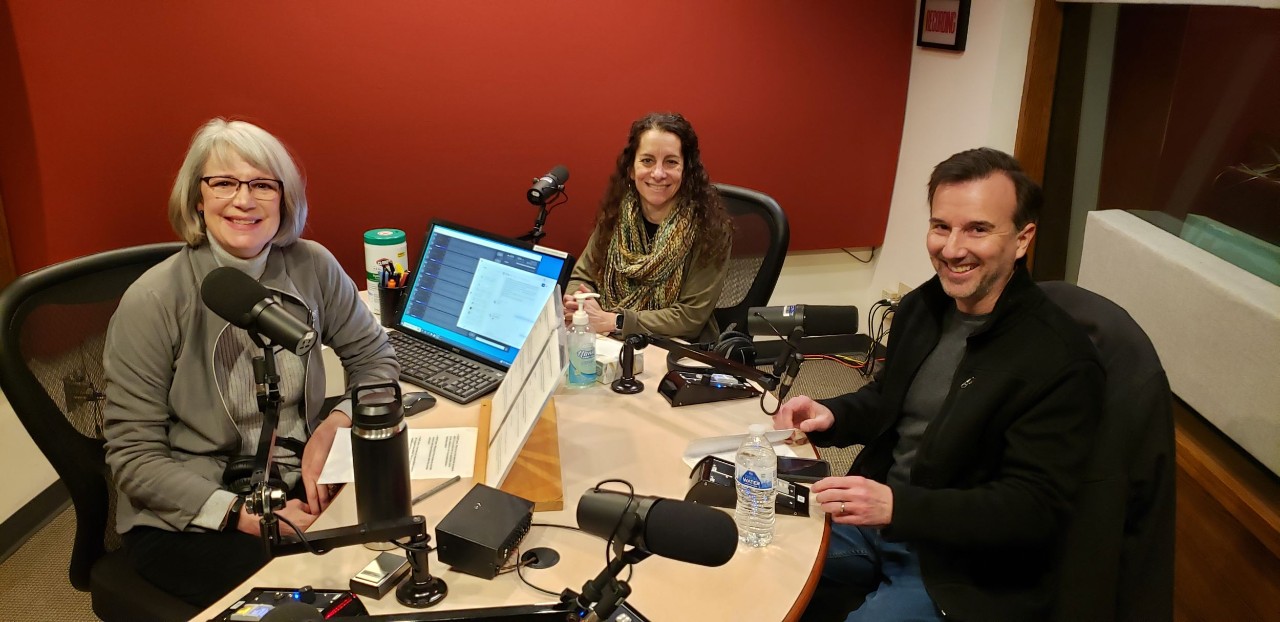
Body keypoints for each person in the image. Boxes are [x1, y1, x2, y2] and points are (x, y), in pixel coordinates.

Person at [774, 148, 1103, 621]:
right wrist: (835, 414)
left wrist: (899, 506)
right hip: (876, 521)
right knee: (751, 556)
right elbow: (892, 402)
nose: (951, 249)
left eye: (978, 229)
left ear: (1023, 239)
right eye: (941, 226)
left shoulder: (1061, 360)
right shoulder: (922, 308)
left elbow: (1034, 508)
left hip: (960, 568)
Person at [103, 118, 399, 607]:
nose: (244, 200)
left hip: (298, 485)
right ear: (198, 197)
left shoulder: (313, 265)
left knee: (397, 558)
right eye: (223, 183)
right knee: (328, 598)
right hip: (193, 515)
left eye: (262, 184)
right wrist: (242, 514)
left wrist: (336, 423)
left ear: (283, 199)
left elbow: (375, 358)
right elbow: (134, 459)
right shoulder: (153, 299)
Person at [563, 112, 732, 343]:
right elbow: (582, 275)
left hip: (677, 347)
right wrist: (579, 303)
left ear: (686, 170)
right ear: (631, 169)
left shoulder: (710, 228)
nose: (658, 173)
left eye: (671, 162)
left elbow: (690, 318)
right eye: (647, 160)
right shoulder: (617, 215)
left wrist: (615, 321)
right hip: (607, 338)